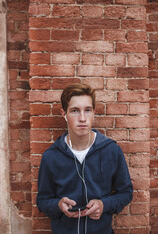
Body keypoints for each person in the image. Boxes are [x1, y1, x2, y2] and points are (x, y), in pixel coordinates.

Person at [37, 83, 133, 234]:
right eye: (75, 111)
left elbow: (126, 193)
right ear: (64, 114)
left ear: (94, 112)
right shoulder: (51, 156)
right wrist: (58, 205)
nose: (82, 118)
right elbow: (42, 201)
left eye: (87, 110)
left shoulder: (111, 150)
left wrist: (103, 205)